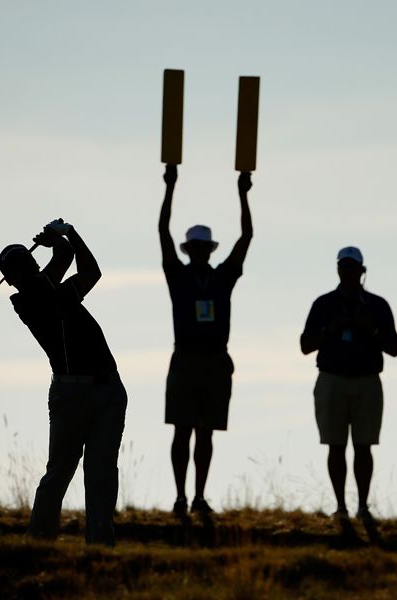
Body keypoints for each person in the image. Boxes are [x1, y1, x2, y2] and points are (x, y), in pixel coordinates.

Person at [0, 219, 127, 547]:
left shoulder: (45, 288)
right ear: (12, 280)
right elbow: (87, 269)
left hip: (107, 387)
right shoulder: (33, 298)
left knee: (100, 470)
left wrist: (62, 237)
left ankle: (97, 543)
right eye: (21, 267)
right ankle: (39, 540)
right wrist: (63, 234)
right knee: (62, 470)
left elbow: (64, 258)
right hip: (73, 393)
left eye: (28, 261)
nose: (29, 266)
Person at [159, 164, 253, 516]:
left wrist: (243, 195)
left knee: (206, 432)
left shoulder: (223, 278)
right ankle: (181, 497)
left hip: (215, 359)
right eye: (194, 246)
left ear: (209, 250)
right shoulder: (178, 276)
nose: (199, 251)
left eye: (203, 246)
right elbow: (162, 231)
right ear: (188, 250)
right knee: (182, 430)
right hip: (184, 357)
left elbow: (246, 239)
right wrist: (170, 187)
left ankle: (198, 496)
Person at [300, 247, 397, 521]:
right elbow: (305, 345)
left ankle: (363, 505)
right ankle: (341, 506)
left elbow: (394, 348)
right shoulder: (323, 304)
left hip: (367, 380)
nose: (347, 272)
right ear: (338, 270)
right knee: (335, 445)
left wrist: (373, 331)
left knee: (364, 446)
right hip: (332, 378)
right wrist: (329, 330)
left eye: (352, 267)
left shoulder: (377, 306)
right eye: (343, 267)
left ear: (361, 271)